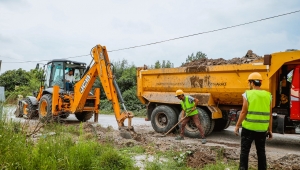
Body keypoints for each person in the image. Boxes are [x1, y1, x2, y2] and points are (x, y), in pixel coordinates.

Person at [234, 72, 273, 170]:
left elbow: (243, 112)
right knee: (261, 152)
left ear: (251, 83)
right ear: (260, 82)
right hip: (262, 129)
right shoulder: (268, 95)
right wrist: (270, 130)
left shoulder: (247, 94)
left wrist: (237, 125)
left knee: (245, 151)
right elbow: (270, 114)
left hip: (248, 128)